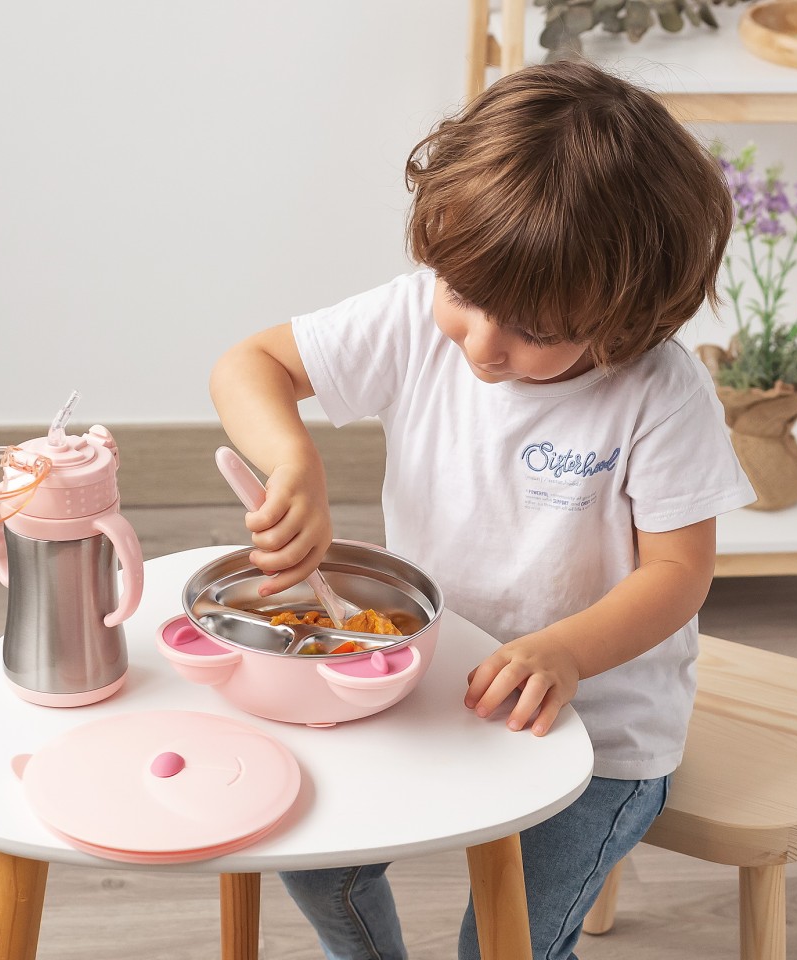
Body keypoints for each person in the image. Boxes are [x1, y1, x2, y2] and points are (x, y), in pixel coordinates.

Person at [209, 59, 755, 960]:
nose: (484, 347)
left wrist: (565, 651)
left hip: (599, 730)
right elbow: (249, 365)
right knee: (315, 862)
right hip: (426, 683)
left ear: (626, 316)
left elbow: (678, 572)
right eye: (462, 296)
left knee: (505, 945)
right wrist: (293, 459)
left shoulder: (659, 393)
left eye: (535, 331)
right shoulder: (413, 321)